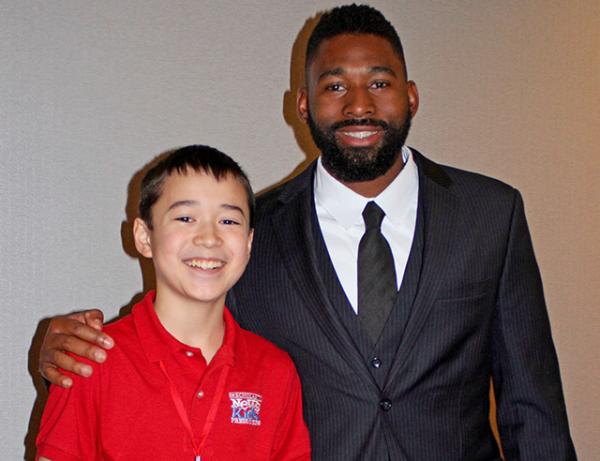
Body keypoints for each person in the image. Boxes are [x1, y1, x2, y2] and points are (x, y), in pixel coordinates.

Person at [38, 5, 576, 460]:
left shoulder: (490, 213)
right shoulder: (253, 231)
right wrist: (66, 354)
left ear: (411, 96)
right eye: (334, 85)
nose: (359, 104)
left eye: (380, 83)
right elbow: (190, 331)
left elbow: (532, 401)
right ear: (302, 105)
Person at [36, 145, 311, 460]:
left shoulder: (275, 370)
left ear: (249, 243)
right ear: (144, 236)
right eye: (185, 217)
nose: (209, 237)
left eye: (229, 221)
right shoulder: (91, 360)